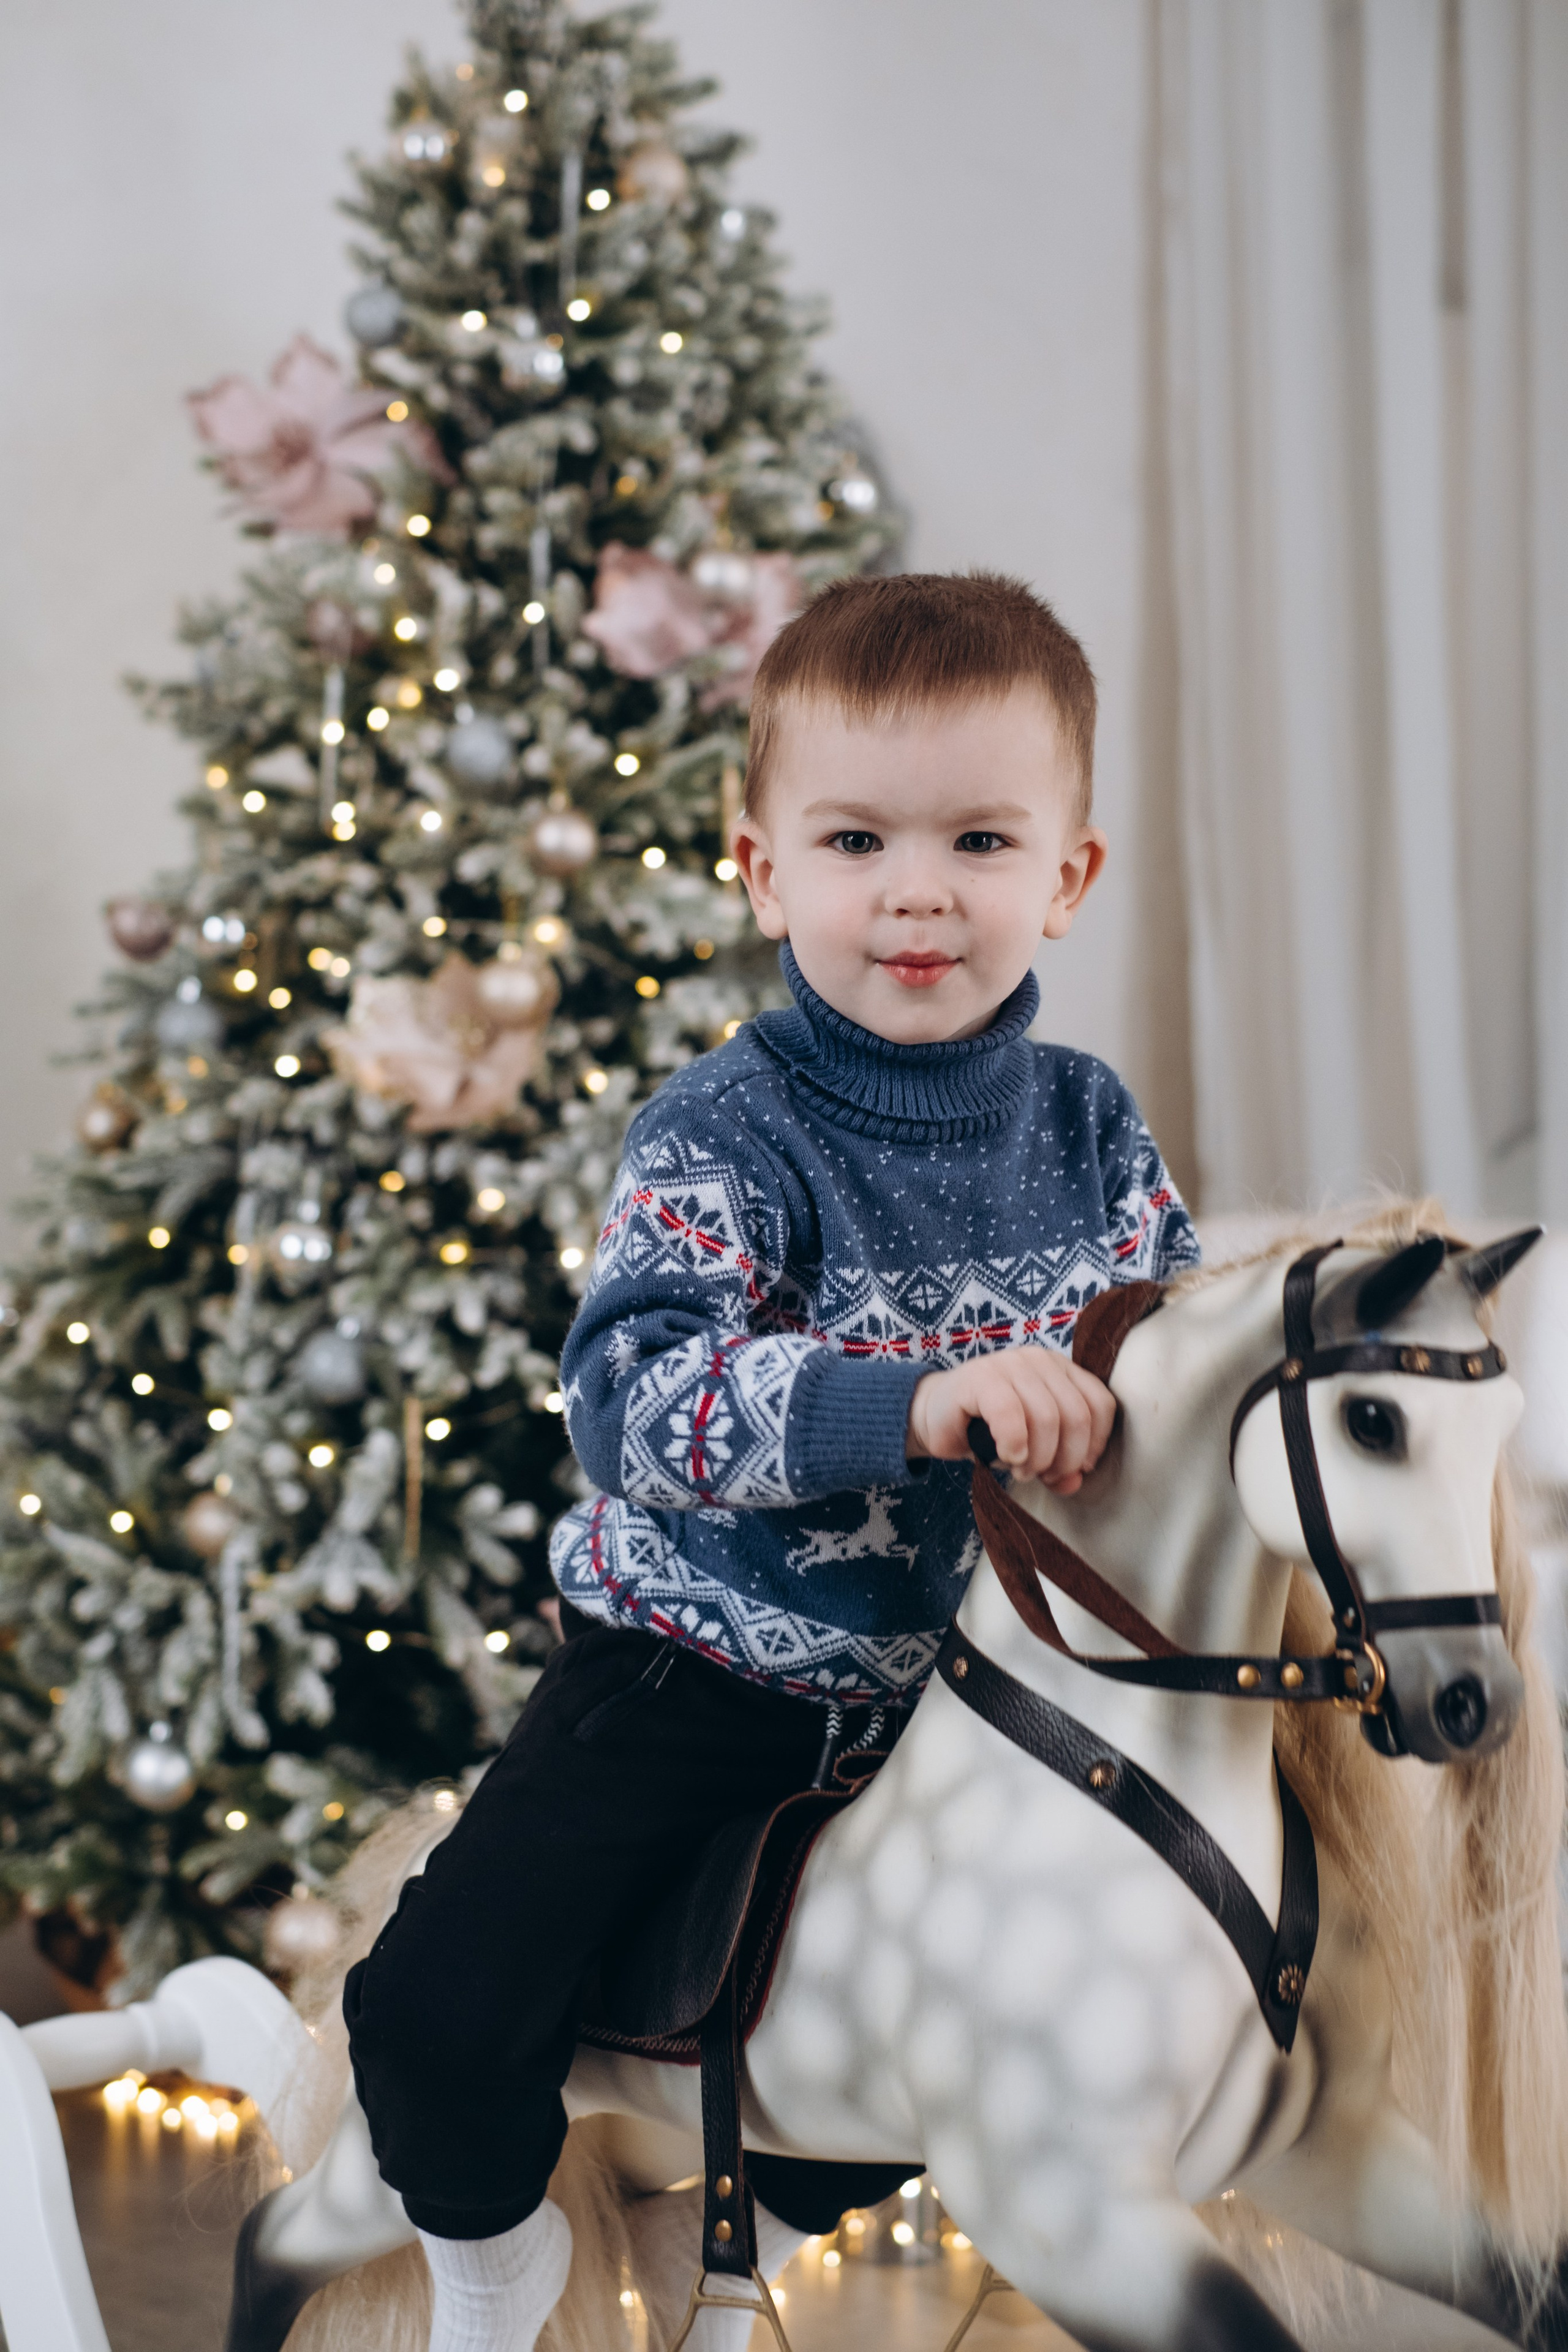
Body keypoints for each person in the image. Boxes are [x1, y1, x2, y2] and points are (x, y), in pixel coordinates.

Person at [344, 571, 1200, 2352]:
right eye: (855, 839)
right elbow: (632, 1402)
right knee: (434, 2003)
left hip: (973, 1707)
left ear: (1067, 878)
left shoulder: (1094, 1127)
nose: (916, 890)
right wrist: (917, 1399)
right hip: (699, 1667)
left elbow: (1179, 1375)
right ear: (761, 871)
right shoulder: (726, 1132)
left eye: (979, 841)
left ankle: (745, 2236)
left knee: (998, 2026)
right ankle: (496, 2279)